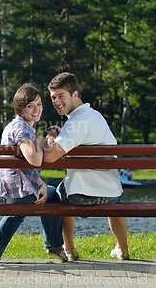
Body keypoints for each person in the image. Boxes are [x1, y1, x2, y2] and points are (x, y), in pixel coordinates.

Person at [42, 72, 129, 261]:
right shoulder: (95, 116)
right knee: (115, 196)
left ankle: (69, 249)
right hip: (111, 195)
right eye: (53, 97)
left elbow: (49, 156)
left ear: (75, 94)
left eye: (61, 96)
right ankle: (122, 248)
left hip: (79, 197)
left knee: (57, 193)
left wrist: (51, 135)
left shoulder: (76, 123)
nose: (56, 101)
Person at [0, 83, 67, 263]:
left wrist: (40, 183)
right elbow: (34, 159)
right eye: (30, 106)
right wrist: (47, 138)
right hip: (17, 193)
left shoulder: (12, 126)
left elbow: (22, 167)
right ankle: (55, 247)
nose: (36, 109)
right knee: (54, 196)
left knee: (24, 207)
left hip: (3, 191)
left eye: (39, 104)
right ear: (20, 108)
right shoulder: (23, 129)